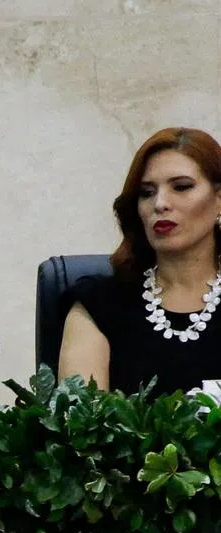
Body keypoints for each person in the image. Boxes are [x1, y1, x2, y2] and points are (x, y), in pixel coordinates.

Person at [59, 127, 221, 394]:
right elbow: (81, 427)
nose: (160, 203)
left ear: (218, 199)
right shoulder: (98, 305)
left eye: (181, 187)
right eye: (146, 192)